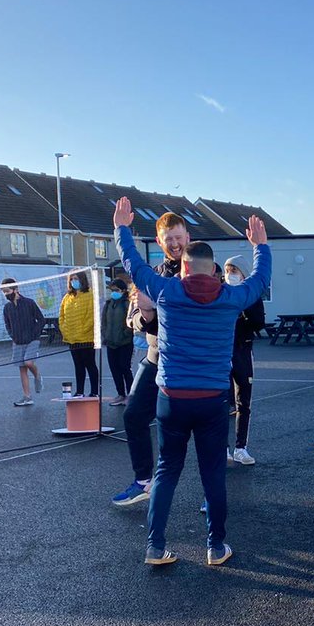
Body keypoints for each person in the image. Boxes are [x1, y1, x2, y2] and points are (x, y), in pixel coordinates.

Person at [114, 197, 271, 567]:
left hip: (171, 397)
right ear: (214, 269)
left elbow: (132, 265)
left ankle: (155, 547)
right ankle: (216, 547)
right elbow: (261, 279)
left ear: (183, 268)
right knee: (213, 472)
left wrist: (121, 228)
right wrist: (260, 246)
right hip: (212, 399)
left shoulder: (167, 291)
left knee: (167, 470)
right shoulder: (232, 298)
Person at [111, 211, 190, 507]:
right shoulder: (151, 275)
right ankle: (144, 481)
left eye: (178, 238)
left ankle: (212, 493)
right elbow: (133, 320)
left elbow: (192, 319)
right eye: (168, 239)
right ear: (159, 241)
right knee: (133, 416)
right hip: (156, 358)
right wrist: (144, 313)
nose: (174, 244)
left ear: (188, 238)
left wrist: (155, 311)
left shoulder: (203, 269)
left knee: (203, 427)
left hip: (190, 364)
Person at [224, 254, 267, 464]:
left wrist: (243, 309)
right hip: (221, 353)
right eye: (228, 271)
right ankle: (222, 448)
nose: (230, 275)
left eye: (234, 271)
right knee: (221, 402)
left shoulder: (252, 295)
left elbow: (259, 323)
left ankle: (241, 447)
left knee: (244, 402)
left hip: (242, 351)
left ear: (243, 274)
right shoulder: (221, 293)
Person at [0, 278, 45, 406]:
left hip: (32, 340)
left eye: (7, 291)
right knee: (22, 369)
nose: (6, 294)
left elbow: (41, 320)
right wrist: (13, 335)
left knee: (28, 362)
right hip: (17, 342)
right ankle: (27, 396)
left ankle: (37, 376)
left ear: (16, 290)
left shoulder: (29, 303)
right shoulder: (7, 307)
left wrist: (34, 334)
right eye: (3, 291)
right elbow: (7, 324)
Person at [59, 270, 98, 398]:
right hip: (72, 339)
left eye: (76, 278)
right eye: (71, 279)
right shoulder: (67, 297)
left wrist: (82, 330)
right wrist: (65, 330)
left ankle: (94, 391)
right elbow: (62, 317)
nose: (73, 281)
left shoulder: (90, 295)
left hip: (86, 338)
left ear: (82, 280)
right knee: (78, 366)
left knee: (90, 364)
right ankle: (79, 391)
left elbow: (92, 316)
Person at [102, 278, 134, 406]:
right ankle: (120, 394)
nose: (113, 292)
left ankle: (131, 395)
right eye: (112, 290)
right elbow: (103, 321)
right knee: (114, 369)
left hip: (124, 342)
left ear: (123, 291)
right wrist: (106, 334)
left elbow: (131, 321)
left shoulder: (127, 303)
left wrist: (125, 334)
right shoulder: (108, 304)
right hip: (111, 342)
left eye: (116, 290)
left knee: (125, 368)